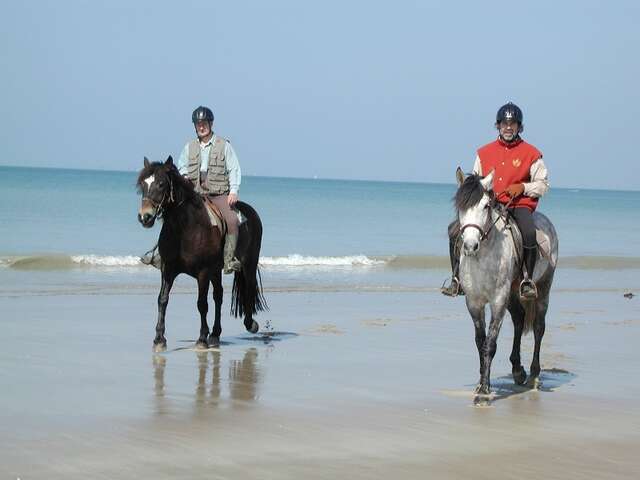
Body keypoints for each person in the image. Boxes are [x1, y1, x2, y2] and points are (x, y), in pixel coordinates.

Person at [441, 102, 549, 299]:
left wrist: (523, 187)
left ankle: (527, 280)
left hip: (518, 205)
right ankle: (457, 278)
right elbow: (475, 181)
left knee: (528, 232)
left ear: (519, 127)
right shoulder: (483, 152)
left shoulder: (532, 153)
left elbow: (543, 184)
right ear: (498, 126)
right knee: (454, 230)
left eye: (513, 123)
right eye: (504, 123)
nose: (508, 127)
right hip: (489, 204)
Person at [141, 106, 242, 274]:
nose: (201, 127)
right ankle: (160, 254)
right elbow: (182, 168)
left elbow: (234, 169)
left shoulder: (223, 145)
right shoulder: (189, 147)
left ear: (210, 124)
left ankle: (229, 259)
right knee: (171, 215)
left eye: (204, 123)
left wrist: (233, 191)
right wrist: (185, 178)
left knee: (232, 220)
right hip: (194, 194)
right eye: (198, 124)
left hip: (218, 194)